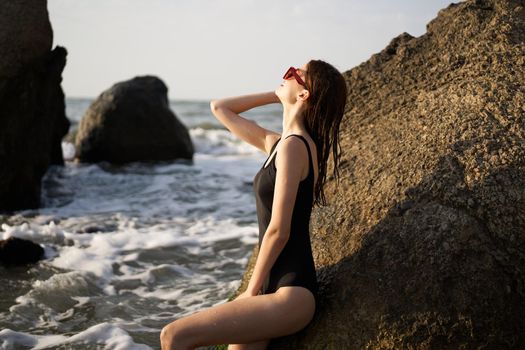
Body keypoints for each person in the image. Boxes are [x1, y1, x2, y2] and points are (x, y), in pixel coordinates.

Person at [160, 59, 347, 350]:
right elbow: (220, 107)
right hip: (275, 290)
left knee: (173, 336)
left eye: (292, 74)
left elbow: (278, 230)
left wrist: (250, 290)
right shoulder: (280, 144)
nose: (285, 76)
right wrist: (278, 94)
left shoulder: (295, 147)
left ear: (305, 94)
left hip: (290, 293)